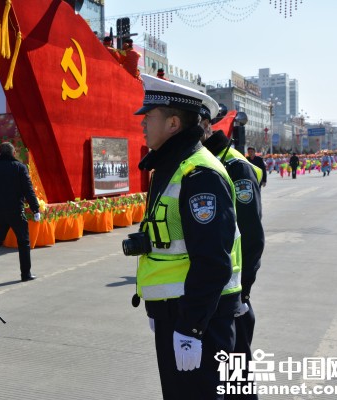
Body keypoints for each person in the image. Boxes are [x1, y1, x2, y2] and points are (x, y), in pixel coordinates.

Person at [131, 74, 241, 399]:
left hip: (199, 320)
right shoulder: (171, 167)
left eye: (149, 117)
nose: (142, 124)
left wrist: (190, 328)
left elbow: (212, 260)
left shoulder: (198, 173)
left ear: (173, 123)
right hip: (175, 313)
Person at [200, 108, 265, 400]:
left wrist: (243, 292)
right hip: (214, 297)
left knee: (237, 384)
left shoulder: (235, 166)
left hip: (234, 297)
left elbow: (252, 237)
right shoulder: (203, 162)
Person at [0, 142, 41, 282]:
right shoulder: (19, 168)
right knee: (24, 242)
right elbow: (28, 189)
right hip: (16, 211)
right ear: (13, 153)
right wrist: (35, 208)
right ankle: (25, 274)